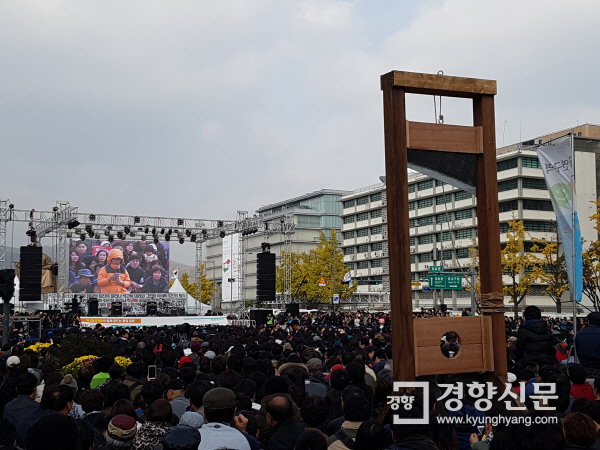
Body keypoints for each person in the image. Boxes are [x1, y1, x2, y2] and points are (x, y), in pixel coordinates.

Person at [513, 305, 554, 371]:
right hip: (546, 362)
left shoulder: (524, 329)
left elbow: (520, 348)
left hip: (529, 362)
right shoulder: (546, 328)